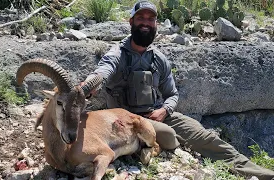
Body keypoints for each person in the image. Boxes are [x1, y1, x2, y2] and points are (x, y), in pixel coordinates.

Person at [82, 1, 274, 179]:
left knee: (204, 136)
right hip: (127, 120)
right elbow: (102, 71)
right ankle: (146, 146)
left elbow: (172, 94)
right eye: (140, 18)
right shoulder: (116, 54)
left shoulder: (159, 59)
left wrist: (164, 110)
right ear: (131, 21)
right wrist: (90, 85)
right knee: (168, 135)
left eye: (151, 19)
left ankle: (258, 172)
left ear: (156, 24)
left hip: (157, 113)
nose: (145, 23)